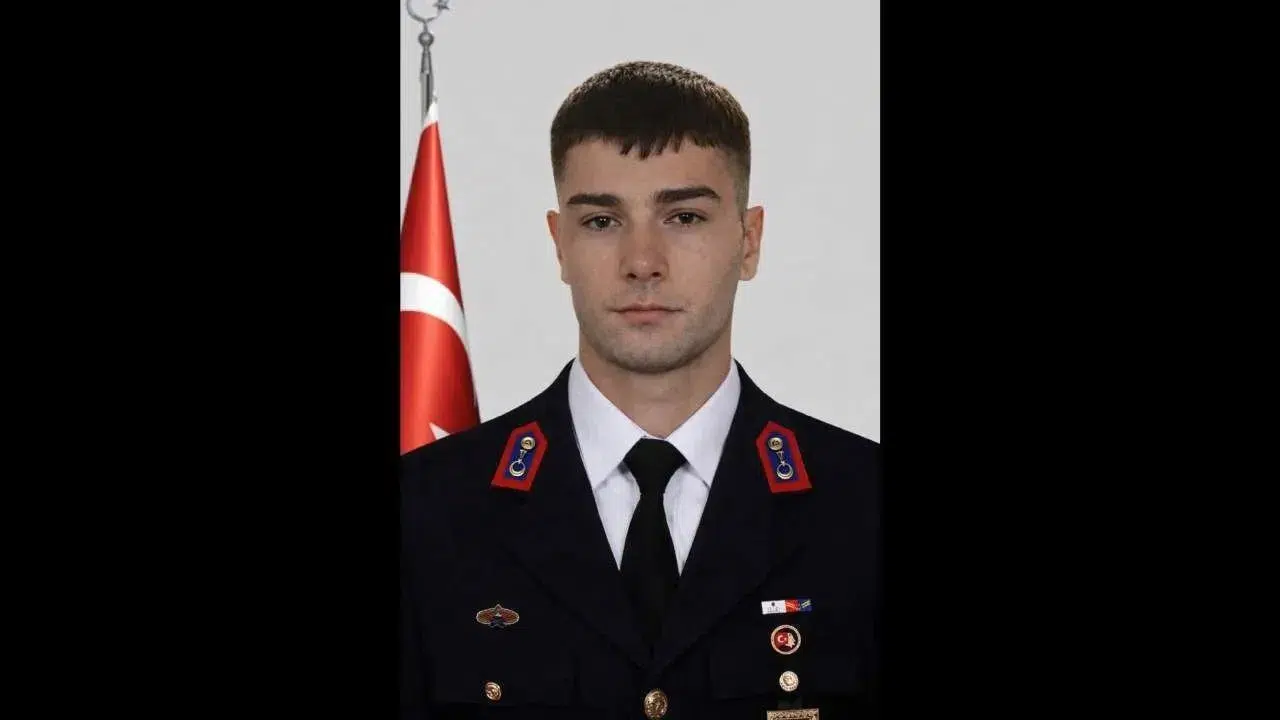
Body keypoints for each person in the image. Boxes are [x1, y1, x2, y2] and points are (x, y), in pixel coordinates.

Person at [401, 60, 880, 719]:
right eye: (602, 221)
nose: (642, 263)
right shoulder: (424, 514)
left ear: (749, 241)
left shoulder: (864, 507)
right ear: (559, 244)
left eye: (683, 216)